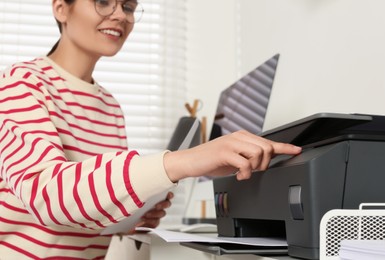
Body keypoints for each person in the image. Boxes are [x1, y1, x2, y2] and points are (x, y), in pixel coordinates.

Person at [0, 0, 302, 259]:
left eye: (129, 6)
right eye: (104, 1)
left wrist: (130, 214)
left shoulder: (110, 106)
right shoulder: (19, 84)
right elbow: (49, 194)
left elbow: (90, 206)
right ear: (61, 8)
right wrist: (182, 162)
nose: (120, 15)